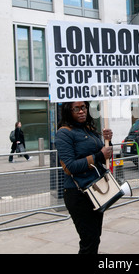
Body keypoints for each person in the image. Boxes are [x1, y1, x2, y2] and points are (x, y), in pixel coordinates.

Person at [55, 101, 113, 254]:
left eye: (84, 107)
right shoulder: (64, 133)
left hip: (97, 189)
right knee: (88, 240)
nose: (81, 111)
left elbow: (103, 156)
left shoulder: (89, 129)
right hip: (78, 193)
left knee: (95, 238)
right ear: (69, 110)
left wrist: (108, 141)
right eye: (77, 108)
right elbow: (70, 167)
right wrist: (99, 155)